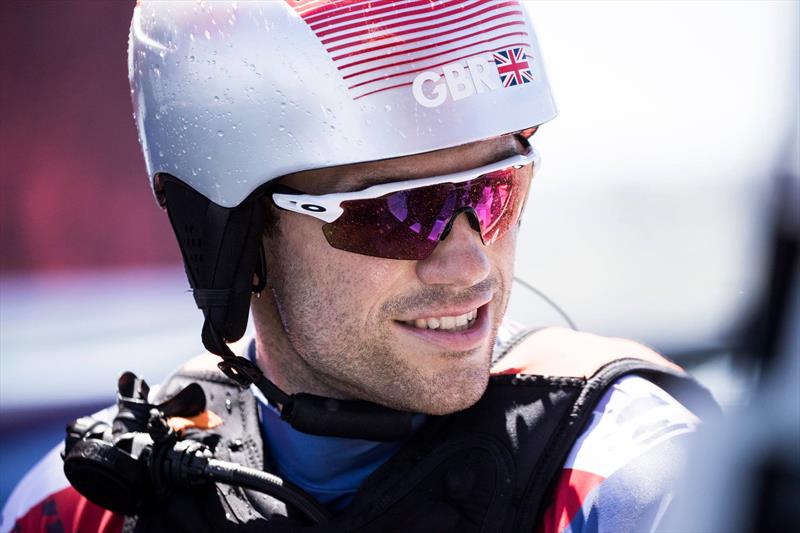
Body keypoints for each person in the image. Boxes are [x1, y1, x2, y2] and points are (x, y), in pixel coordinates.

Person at [2, 1, 717, 532]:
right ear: (234, 235)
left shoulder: (629, 483)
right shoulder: (79, 511)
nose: (470, 267)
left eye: (496, 192)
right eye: (399, 213)